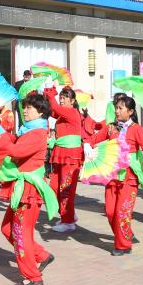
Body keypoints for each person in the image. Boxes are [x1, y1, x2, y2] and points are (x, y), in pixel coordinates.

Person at [0, 93, 55, 285]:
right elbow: (11, 140)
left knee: (20, 232)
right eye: (24, 107)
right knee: (8, 228)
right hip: (21, 188)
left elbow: (16, 151)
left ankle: (33, 276)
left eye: (29, 108)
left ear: (41, 112)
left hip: (29, 189)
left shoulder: (37, 133)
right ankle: (42, 255)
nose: (24, 111)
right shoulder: (28, 130)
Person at [88, 95, 143, 253]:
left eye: (120, 108)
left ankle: (123, 245)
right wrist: (87, 147)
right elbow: (92, 139)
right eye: (116, 107)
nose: (117, 111)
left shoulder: (137, 129)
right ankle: (126, 233)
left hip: (129, 177)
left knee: (122, 212)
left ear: (130, 111)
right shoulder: (111, 128)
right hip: (112, 176)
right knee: (110, 212)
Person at [43, 85, 83, 233]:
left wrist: (50, 96)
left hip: (70, 155)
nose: (61, 99)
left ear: (72, 101)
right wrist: (42, 97)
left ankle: (68, 221)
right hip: (61, 154)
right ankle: (68, 214)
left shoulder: (72, 112)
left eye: (65, 97)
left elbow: (54, 106)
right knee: (53, 187)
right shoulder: (62, 114)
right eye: (60, 97)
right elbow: (50, 109)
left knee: (65, 189)